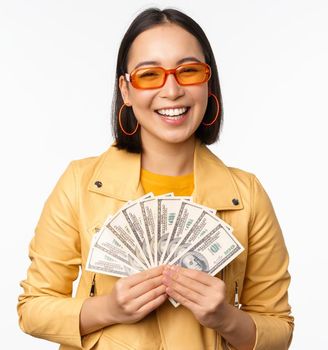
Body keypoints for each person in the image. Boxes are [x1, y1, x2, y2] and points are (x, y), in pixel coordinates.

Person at [17, 8, 293, 350]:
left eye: (189, 71)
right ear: (127, 90)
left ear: (208, 83)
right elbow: (32, 309)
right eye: (150, 75)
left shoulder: (246, 195)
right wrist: (109, 308)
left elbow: (279, 329)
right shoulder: (79, 183)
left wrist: (224, 317)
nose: (173, 90)